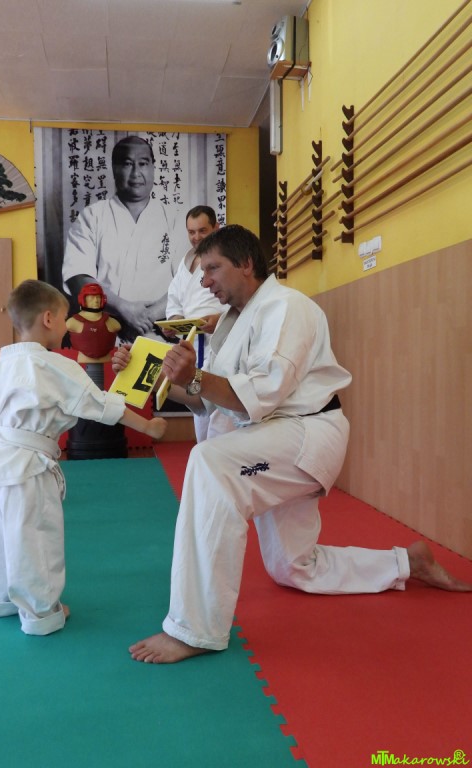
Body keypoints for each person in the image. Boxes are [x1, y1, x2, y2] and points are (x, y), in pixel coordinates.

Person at [110, 224, 472, 665]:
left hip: (304, 433)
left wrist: (197, 377)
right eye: (202, 272)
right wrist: (151, 377)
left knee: (210, 465)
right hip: (272, 438)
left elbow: (261, 394)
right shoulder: (232, 322)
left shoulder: (286, 307)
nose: (204, 282)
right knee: (294, 567)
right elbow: (209, 399)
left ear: (246, 263)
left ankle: (195, 628)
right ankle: (406, 564)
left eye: (212, 268)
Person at [0, 279, 167, 637]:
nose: (66, 327)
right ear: (48, 319)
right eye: (64, 319)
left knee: (1, 537)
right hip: (29, 468)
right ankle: (42, 614)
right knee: (36, 539)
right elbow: (100, 405)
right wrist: (149, 426)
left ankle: (2, 601)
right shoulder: (52, 365)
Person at [62, 136, 184, 343]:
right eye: (127, 164)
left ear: (153, 167)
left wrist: (147, 317)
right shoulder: (92, 216)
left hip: (160, 333)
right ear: (114, 168)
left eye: (143, 164)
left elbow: (187, 280)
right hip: (104, 333)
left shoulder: (175, 219)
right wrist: (123, 308)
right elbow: (77, 278)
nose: (136, 173)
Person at [163, 205, 227, 441]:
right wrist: (174, 321)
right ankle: (204, 450)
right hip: (193, 344)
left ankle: (219, 452)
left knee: (219, 406)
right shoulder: (186, 262)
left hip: (221, 342)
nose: (196, 237)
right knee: (198, 404)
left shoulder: (226, 258)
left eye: (202, 230)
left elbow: (239, 300)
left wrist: (220, 320)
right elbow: (175, 299)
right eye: (191, 232)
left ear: (216, 227)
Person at [66, 283, 121, 364]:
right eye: (92, 298)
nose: (96, 301)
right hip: (83, 359)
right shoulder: (72, 322)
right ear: (83, 299)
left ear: (103, 299)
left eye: (98, 297)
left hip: (106, 360)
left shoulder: (113, 322)